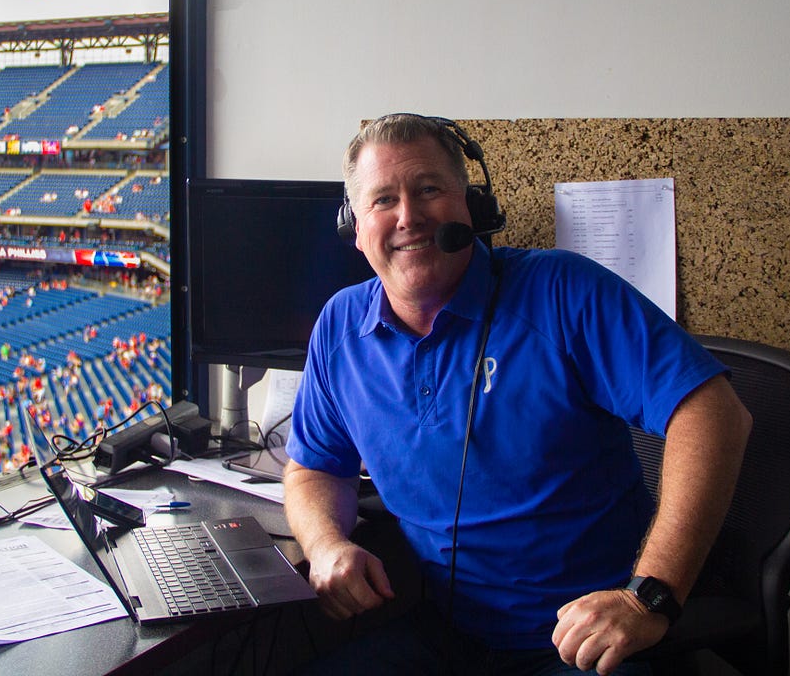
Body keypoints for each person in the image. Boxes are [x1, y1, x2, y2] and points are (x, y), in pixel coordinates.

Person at [283, 113, 753, 675]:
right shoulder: (340, 326)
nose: (408, 216)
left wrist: (648, 596)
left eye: (429, 189)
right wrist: (326, 545)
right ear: (355, 228)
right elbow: (314, 469)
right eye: (383, 199)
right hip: (445, 636)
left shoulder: (563, 291)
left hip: (582, 644)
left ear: (472, 207)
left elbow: (714, 414)